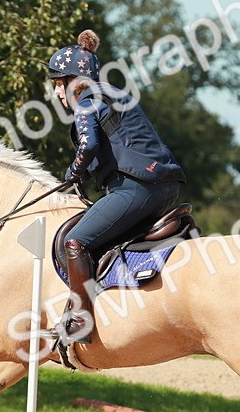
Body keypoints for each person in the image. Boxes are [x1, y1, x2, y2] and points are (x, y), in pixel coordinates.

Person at [43, 29, 186, 345]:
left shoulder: (85, 97)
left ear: (72, 80)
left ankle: (79, 321)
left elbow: (89, 145)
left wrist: (74, 173)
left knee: (76, 242)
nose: (57, 93)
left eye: (57, 84)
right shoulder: (112, 93)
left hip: (137, 187)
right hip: (163, 186)